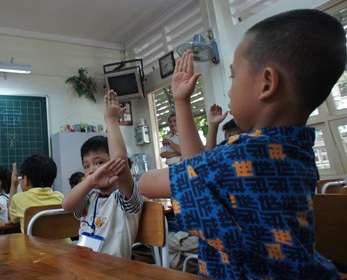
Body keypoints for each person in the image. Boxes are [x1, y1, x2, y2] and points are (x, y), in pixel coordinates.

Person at [138, 9, 345, 279]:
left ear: (267, 83)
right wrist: (182, 103)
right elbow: (198, 169)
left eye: (234, 77)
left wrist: (181, 104)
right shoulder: (299, 153)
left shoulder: (243, 155)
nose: (229, 89)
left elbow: (146, 183)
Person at [62, 90, 143, 259]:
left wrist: (111, 120)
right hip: (86, 266)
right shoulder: (89, 197)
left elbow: (120, 163)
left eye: (99, 162)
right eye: (86, 166)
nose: (92, 169)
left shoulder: (124, 200)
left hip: (112, 271)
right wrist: (90, 182)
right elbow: (67, 205)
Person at [9, 154, 64, 233]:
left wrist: (14, 185)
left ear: (25, 180)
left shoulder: (18, 199)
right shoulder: (60, 196)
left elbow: (12, 219)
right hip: (64, 245)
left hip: (34, 245)